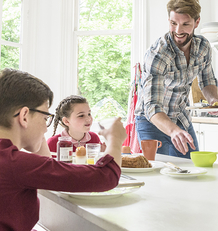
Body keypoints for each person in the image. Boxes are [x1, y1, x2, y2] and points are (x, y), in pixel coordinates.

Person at [0, 68, 127, 231]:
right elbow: (105, 177)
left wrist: (36, 136)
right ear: (24, 116)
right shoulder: (15, 163)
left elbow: (45, 165)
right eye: (46, 118)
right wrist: (115, 140)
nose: (46, 129)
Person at [135, 0, 218, 159]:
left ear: (197, 22)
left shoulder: (203, 47)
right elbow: (152, 106)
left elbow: (207, 80)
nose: (178, 30)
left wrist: (213, 100)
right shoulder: (158, 54)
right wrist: (173, 131)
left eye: (185, 24)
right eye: (173, 23)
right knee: (157, 174)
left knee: (191, 170)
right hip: (152, 121)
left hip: (181, 117)